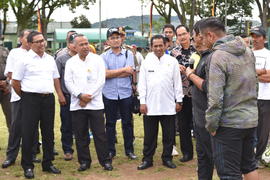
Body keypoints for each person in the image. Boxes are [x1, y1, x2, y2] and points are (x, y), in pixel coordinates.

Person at [201, 17, 258, 180]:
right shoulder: (248, 50)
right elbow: (255, 84)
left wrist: (211, 125)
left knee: (229, 173)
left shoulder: (217, 56)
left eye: (203, 37)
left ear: (210, 36)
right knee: (249, 166)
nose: (203, 41)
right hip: (250, 120)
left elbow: (215, 98)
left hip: (228, 124)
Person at [12, 31, 65, 179]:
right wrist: (25, 96)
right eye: (38, 41)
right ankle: (28, 166)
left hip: (48, 99)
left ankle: (48, 163)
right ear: (29, 44)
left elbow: (56, 78)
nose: (42, 44)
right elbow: (15, 82)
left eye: (43, 41)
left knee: (48, 132)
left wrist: (59, 94)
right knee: (29, 133)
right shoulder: (23, 60)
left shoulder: (49, 59)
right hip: (30, 99)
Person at [64, 34, 113, 171]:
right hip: (77, 104)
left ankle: (105, 161)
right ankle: (84, 161)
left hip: (95, 103)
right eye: (82, 44)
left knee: (100, 134)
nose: (85, 46)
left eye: (87, 43)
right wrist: (80, 96)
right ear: (74, 47)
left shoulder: (97, 59)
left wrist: (88, 97)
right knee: (81, 135)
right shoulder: (70, 62)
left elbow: (101, 80)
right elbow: (68, 81)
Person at [137, 34, 183, 170]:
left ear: (166, 45)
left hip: (168, 105)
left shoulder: (172, 61)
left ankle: (167, 158)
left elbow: (177, 82)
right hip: (150, 106)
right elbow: (142, 84)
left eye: (160, 45)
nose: (158, 48)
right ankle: (147, 159)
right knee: (149, 136)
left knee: (169, 136)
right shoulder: (146, 62)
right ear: (151, 47)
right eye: (155, 46)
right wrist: (142, 102)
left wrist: (179, 100)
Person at [1, 29, 42, 169]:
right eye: (26, 37)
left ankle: (32, 154)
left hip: (35, 97)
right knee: (16, 126)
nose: (29, 39)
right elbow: (11, 74)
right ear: (20, 39)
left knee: (33, 126)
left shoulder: (38, 54)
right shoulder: (15, 53)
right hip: (19, 95)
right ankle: (11, 156)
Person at [183, 20, 214, 179]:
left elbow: (208, 86)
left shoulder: (213, 57)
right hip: (199, 116)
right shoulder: (201, 57)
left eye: (194, 37)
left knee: (217, 160)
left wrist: (190, 74)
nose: (194, 42)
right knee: (203, 158)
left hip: (209, 118)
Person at [102, 27, 137, 160]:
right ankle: (111, 150)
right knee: (110, 124)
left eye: (117, 37)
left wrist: (113, 73)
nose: (116, 40)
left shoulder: (128, 54)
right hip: (109, 94)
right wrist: (122, 71)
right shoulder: (103, 56)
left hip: (125, 93)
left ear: (121, 39)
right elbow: (104, 74)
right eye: (112, 38)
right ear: (108, 41)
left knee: (127, 123)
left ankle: (129, 150)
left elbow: (130, 71)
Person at [171, 25, 196, 162]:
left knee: (200, 123)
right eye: (179, 35)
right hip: (182, 93)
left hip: (198, 91)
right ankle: (187, 153)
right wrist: (176, 68)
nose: (182, 37)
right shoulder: (173, 53)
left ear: (189, 34)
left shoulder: (198, 49)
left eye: (184, 33)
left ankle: (206, 152)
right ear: (176, 36)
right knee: (183, 124)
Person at [55, 31, 77, 161]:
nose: (76, 46)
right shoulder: (61, 59)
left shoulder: (86, 57)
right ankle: (68, 149)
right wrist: (59, 94)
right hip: (67, 96)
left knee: (82, 124)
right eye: (73, 43)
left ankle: (82, 147)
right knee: (67, 125)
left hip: (82, 97)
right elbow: (56, 78)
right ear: (68, 44)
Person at [250, 26, 270, 168]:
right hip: (248, 97)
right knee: (248, 128)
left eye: (258, 36)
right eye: (253, 36)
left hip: (265, 97)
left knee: (263, 130)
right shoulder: (247, 53)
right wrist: (260, 72)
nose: (254, 39)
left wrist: (251, 73)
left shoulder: (268, 54)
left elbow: (268, 77)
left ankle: (257, 157)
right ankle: (248, 156)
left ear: (265, 38)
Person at [0, 41, 12, 134]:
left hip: (6, 89)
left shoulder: (5, 50)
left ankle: (13, 143)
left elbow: (11, 68)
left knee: (11, 116)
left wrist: (7, 82)